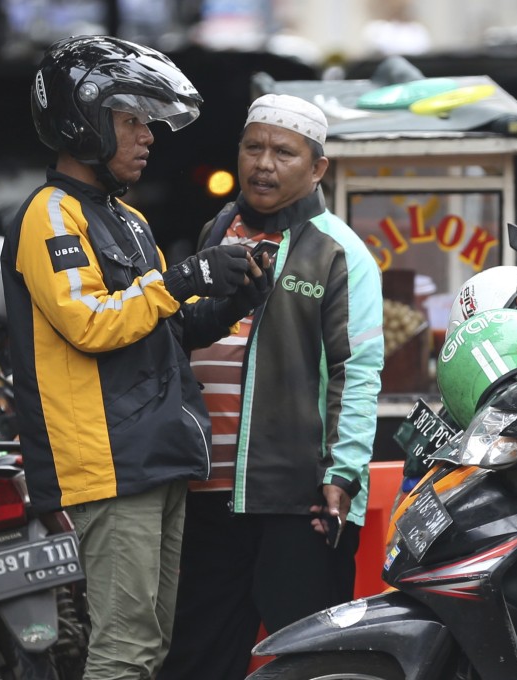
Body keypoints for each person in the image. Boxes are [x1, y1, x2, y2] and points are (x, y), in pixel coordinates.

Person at [2, 36, 271, 680]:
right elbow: (91, 323)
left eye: (149, 123)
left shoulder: (127, 218)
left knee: (148, 646)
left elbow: (167, 329)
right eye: (132, 120)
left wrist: (234, 295)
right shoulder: (51, 215)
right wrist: (185, 275)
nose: (148, 136)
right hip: (108, 463)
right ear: (81, 119)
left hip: (154, 454)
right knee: (124, 648)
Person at [159, 94, 385, 680]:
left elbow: (356, 373)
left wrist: (343, 476)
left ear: (317, 169)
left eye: (283, 152)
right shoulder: (217, 229)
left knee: (308, 664)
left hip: (300, 501)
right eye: (252, 147)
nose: (263, 163)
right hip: (209, 493)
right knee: (196, 659)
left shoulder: (341, 252)